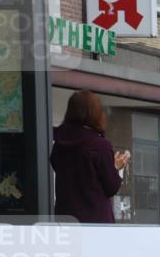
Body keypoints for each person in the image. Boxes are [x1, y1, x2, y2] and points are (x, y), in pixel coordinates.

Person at [50, 90, 130, 223]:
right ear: (94, 113)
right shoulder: (99, 145)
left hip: (65, 221)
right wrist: (116, 167)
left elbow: (56, 164)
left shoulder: (59, 143)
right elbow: (111, 187)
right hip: (95, 223)